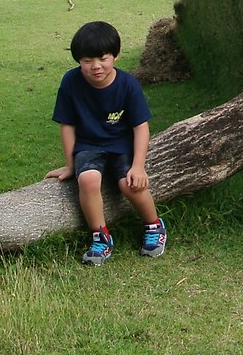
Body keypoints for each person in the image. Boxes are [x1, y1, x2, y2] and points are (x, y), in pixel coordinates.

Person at [46, 20, 165, 264]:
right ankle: (100, 236)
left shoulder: (128, 84)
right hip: (88, 146)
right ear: (78, 60)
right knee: (88, 179)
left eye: (103, 58)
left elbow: (140, 126)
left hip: (122, 145)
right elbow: (67, 125)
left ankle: (154, 226)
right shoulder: (70, 82)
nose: (96, 66)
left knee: (129, 184)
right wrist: (70, 165)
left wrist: (139, 165)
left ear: (116, 56)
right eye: (87, 61)